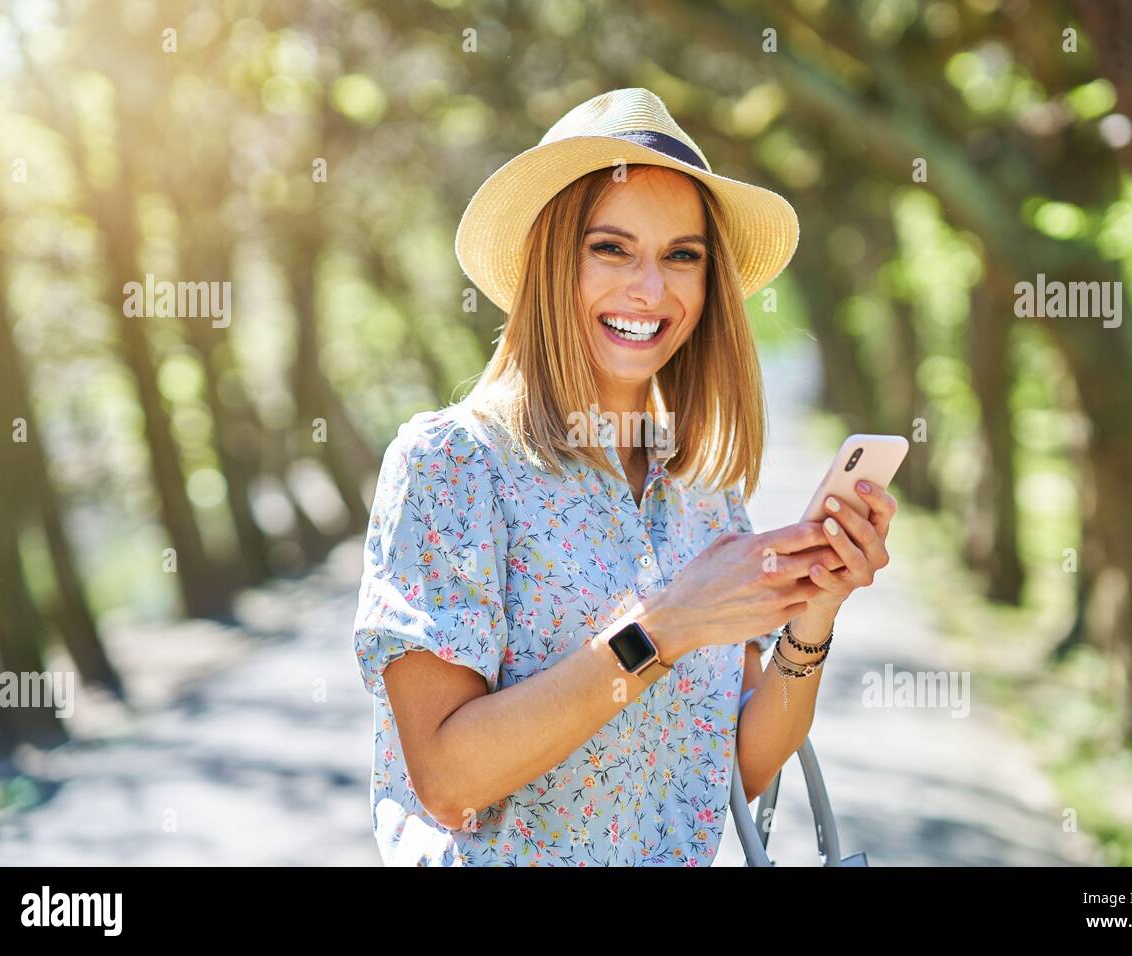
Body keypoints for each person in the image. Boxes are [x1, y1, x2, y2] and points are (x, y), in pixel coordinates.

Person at [352, 88, 897, 866]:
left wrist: (816, 611)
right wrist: (663, 627)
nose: (650, 289)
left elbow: (728, 768)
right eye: (611, 248)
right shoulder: (451, 465)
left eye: (683, 256)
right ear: (549, 262)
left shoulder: (703, 491)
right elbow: (447, 781)